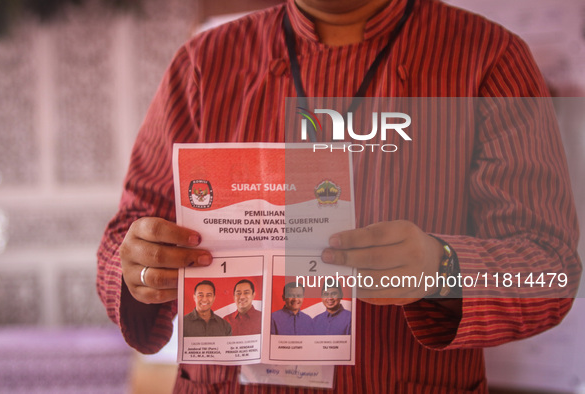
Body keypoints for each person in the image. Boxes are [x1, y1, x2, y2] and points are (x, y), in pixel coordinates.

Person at [97, 0, 581, 392]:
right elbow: (129, 233)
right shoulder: (205, 63)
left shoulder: (489, 58)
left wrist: (444, 268)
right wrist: (139, 264)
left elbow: (550, 266)